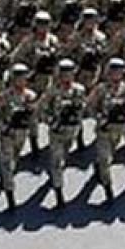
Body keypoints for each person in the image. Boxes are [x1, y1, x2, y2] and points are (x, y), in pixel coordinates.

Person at [40, 59, 88, 203]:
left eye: (69, 73)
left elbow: (84, 107)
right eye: (64, 73)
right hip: (57, 131)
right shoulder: (51, 91)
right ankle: (58, 191)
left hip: (72, 130)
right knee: (57, 161)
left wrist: (77, 111)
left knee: (64, 155)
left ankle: (56, 175)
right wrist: (52, 122)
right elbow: (42, 110)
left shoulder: (79, 90)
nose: (66, 76)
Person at [0, 64, 39, 209]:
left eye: (23, 78)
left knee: (15, 159)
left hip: (22, 133)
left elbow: (34, 115)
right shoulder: (3, 97)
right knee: (7, 163)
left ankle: (6, 177)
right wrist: (3, 127)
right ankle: (10, 194)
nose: (21, 81)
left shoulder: (30, 96)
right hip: (8, 133)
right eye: (18, 78)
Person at [89, 58, 125, 201]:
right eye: (113, 71)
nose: (116, 74)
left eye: (119, 71)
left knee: (110, 154)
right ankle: (107, 186)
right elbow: (91, 107)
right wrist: (100, 118)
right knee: (105, 159)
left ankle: (99, 167)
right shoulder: (101, 89)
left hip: (119, 129)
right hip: (104, 129)